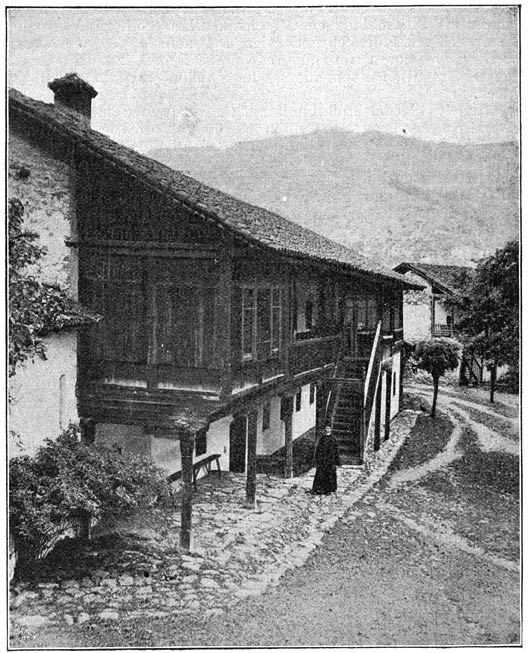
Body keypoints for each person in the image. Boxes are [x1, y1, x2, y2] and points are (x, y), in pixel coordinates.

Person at [311, 425, 341, 495]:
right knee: (320, 473)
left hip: (330, 460)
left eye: (328, 428)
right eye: (326, 428)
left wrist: (336, 461)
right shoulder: (322, 438)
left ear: (331, 430)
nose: (327, 429)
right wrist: (317, 458)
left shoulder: (333, 439)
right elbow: (318, 449)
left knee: (329, 475)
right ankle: (318, 489)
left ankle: (328, 490)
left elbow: (335, 450)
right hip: (322, 459)